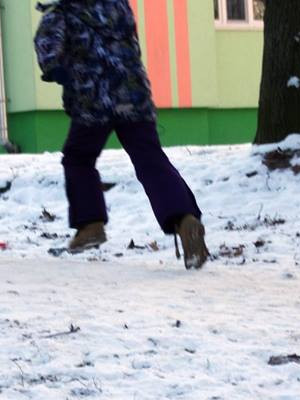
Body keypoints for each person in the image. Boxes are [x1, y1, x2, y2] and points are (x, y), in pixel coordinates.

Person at [34, 0, 210, 269]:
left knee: (78, 158)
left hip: (94, 101)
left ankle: (90, 225)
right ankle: (185, 219)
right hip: (133, 94)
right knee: (150, 159)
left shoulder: (62, 14)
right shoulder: (118, 6)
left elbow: (50, 57)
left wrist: (64, 75)